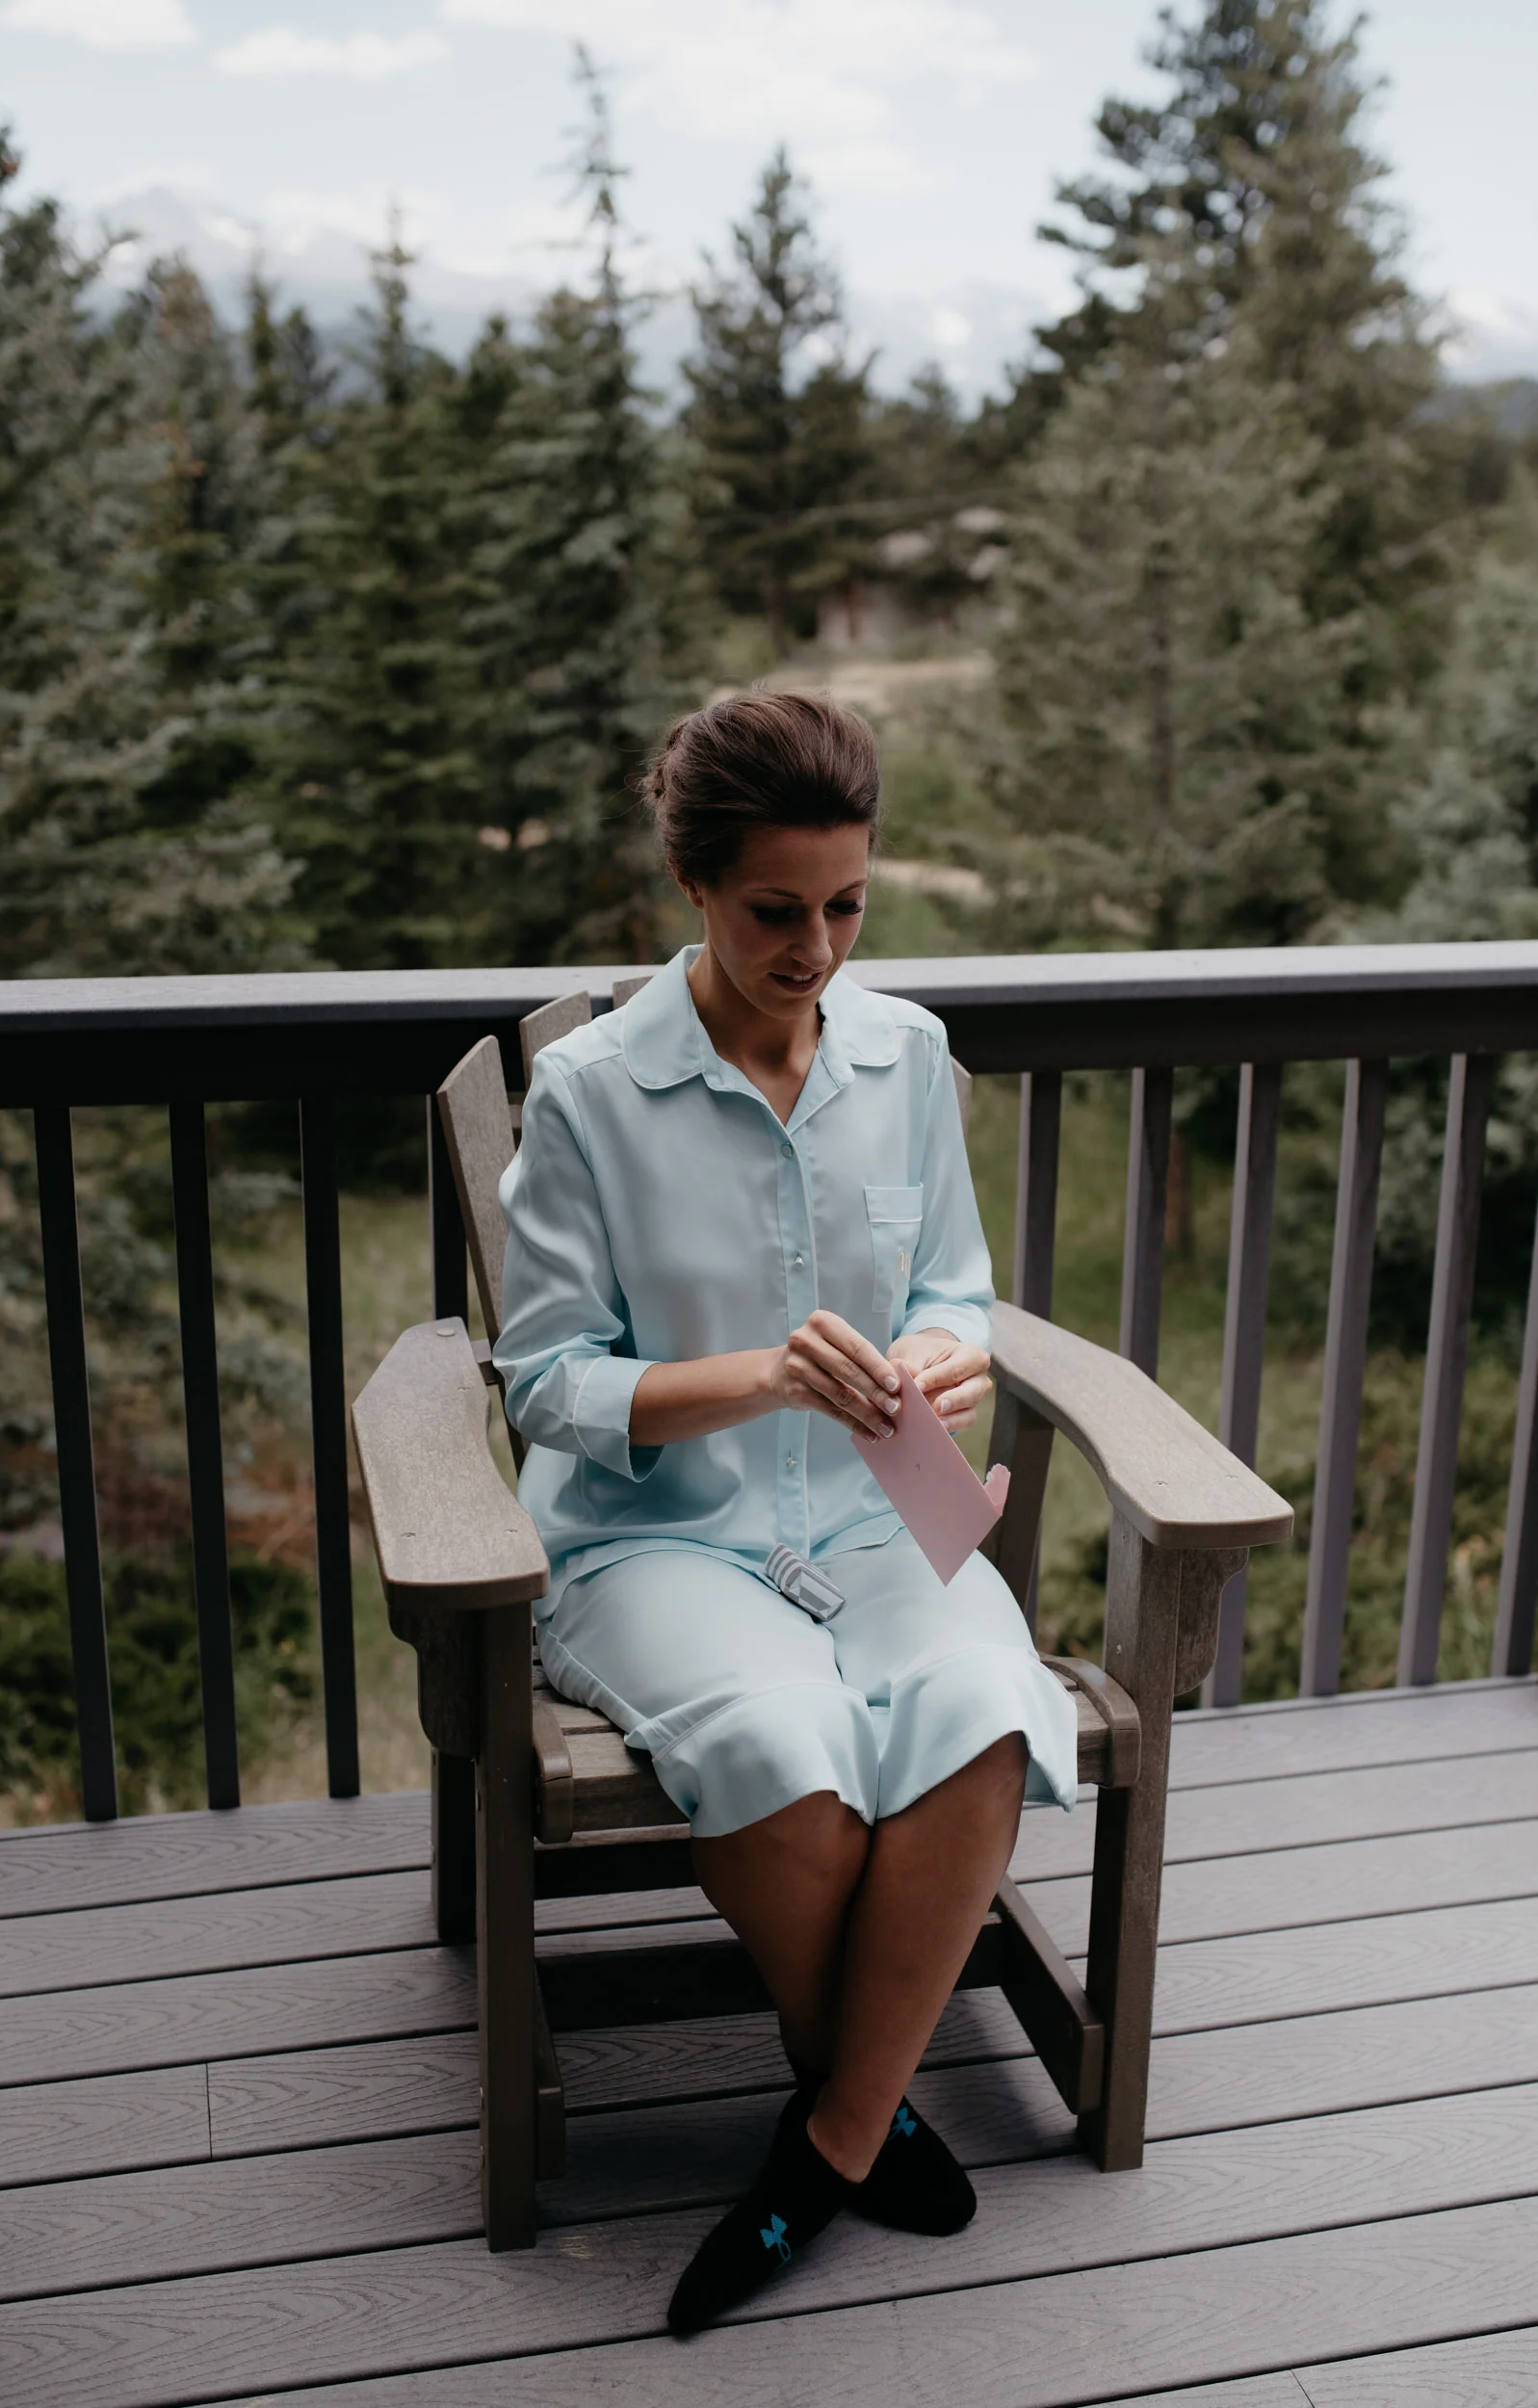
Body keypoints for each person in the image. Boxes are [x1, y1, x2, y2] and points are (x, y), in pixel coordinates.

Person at [494, 690, 1077, 2335]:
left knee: (978, 1706)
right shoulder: (596, 1093)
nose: (814, 946)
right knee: (779, 1739)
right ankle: (868, 2106)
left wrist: (948, 1355)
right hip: (657, 1531)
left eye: (845, 906)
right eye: (774, 910)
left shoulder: (909, 1060)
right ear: (692, 881)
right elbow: (544, 1387)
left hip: (889, 1513)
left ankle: (821, 2139)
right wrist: (756, 1374)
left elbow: (957, 1281)